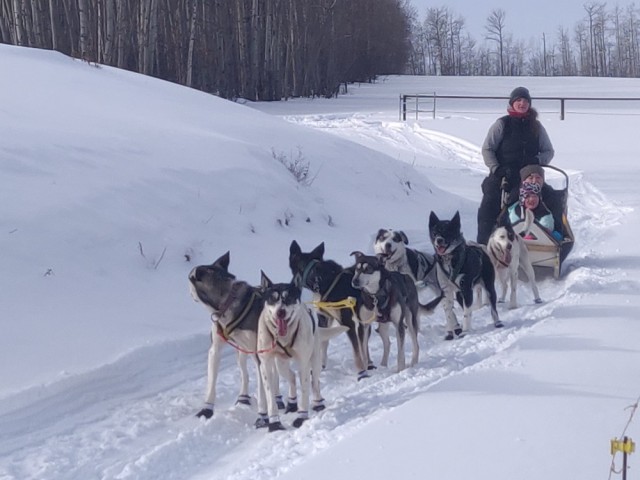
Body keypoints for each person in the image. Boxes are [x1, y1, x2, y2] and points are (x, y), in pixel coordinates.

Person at [476, 86, 555, 244]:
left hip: (528, 178)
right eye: (518, 100)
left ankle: (551, 240)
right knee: (490, 202)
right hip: (503, 175)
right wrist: (497, 169)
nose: (522, 103)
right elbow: (487, 149)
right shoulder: (501, 125)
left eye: (525, 100)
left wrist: (536, 162)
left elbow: (548, 151)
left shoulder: (536, 127)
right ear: (512, 103)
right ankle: (483, 246)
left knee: (552, 197)